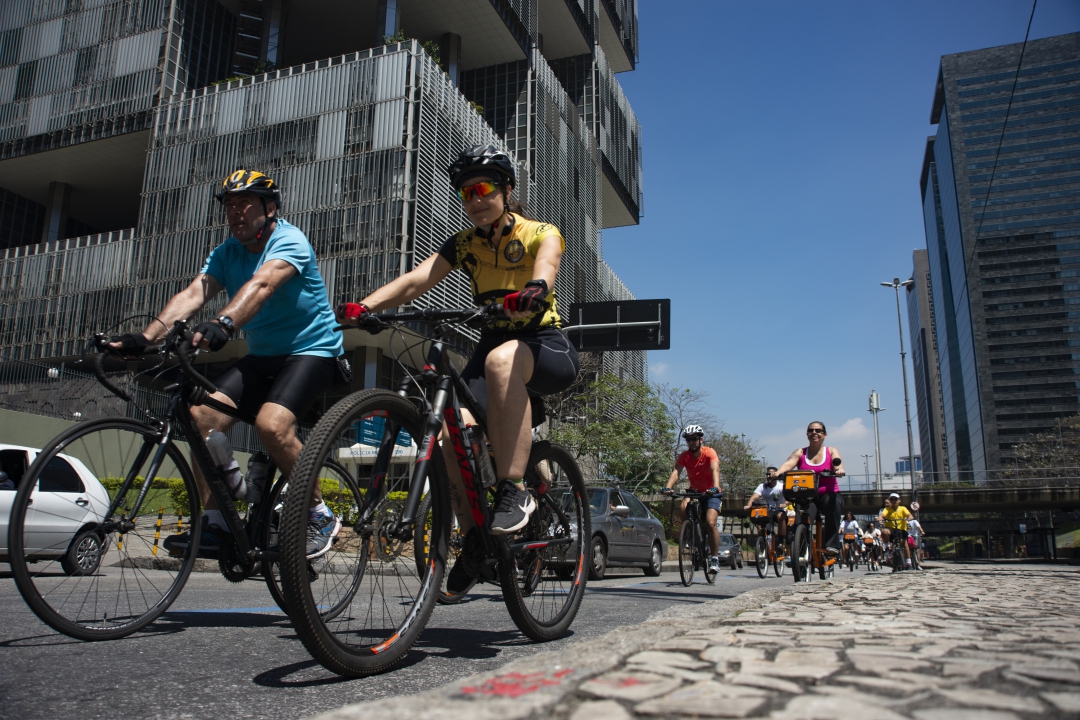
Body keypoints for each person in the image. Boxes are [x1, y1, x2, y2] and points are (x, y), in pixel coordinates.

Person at [337, 145, 580, 591]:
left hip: (543, 342)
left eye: (484, 189)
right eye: (467, 193)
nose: (476, 200)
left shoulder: (540, 231)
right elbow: (418, 279)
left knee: (501, 360)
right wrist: (365, 307)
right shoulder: (465, 243)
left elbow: (547, 263)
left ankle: (514, 490)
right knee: (451, 430)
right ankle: (475, 540)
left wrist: (535, 288)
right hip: (493, 343)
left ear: (507, 190)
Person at [109, 170, 346, 560]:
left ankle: (319, 514)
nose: (235, 212)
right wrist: (147, 338)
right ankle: (217, 522)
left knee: (272, 425)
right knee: (200, 416)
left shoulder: (289, 240)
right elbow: (194, 293)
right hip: (262, 357)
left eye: (245, 203)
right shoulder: (226, 252)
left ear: (270, 209)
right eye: (230, 205)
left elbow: (262, 284)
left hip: (313, 352)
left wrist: (224, 323)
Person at [769, 421, 846, 555]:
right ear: (807, 434)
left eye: (818, 430)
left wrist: (839, 470)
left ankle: (832, 545)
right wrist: (778, 473)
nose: (814, 433)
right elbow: (789, 463)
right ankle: (800, 550)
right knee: (801, 520)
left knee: (833, 505)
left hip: (827, 494)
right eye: (811, 430)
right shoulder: (800, 452)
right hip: (807, 495)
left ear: (825, 435)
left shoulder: (831, 451)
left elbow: (837, 463)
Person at [661, 424, 723, 573]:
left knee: (710, 522)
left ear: (700, 439)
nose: (691, 442)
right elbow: (677, 471)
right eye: (688, 440)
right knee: (683, 507)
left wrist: (715, 486)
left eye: (694, 439)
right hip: (694, 492)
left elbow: (715, 469)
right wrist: (668, 487)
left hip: (711, 492)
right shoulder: (684, 456)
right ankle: (689, 533)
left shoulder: (709, 452)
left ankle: (715, 559)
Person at [744, 466, 787, 552]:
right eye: (767, 474)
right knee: (760, 524)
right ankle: (762, 542)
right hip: (766, 510)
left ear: (775, 475)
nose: (768, 476)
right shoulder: (762, 486)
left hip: (778, 509)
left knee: (781, 516)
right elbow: (753, 497)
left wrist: (785, 504)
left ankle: (780, 542)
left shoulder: (781, 486)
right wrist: (748, 506)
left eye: (770, 474)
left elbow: (789, 498)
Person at [879, 492, 914, 570]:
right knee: (884, 531)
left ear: (899, 500)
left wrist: (909, 518)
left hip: (901, 529)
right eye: (892, 499)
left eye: (895, 499)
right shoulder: (887, 509)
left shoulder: (903, 508)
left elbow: (910, 515)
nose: (894, 500)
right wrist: (880, 519)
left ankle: (908, 563)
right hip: (891, 529)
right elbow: (882, 515)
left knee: (904, 544)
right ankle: (887, 547)